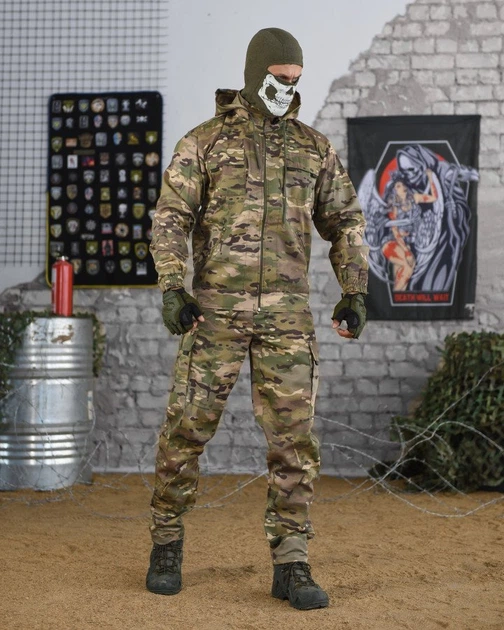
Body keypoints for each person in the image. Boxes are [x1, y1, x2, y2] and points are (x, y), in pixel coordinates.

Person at [146, 27, 368, 610]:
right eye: (278, 78)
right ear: (254, 74)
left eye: (296, 80)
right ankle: (166, 541)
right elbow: (170, 217)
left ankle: (291, 562)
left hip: (286, 318)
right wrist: (172, 287)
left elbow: (345, 220)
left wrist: (354, 289)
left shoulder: (313, 149)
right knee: (186, 428)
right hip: (213, 314)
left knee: (294, 441)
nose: (287, 88)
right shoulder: (205, 142)